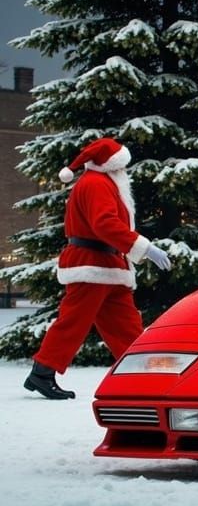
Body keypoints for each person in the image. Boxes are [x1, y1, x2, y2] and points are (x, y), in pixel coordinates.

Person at [23, 137, 172, 399]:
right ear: (111, 164)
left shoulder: (103, 183)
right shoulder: (96, 184)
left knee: (126, 325)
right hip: (91, 264)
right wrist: (144, 247)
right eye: (121, 165)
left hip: (108, 265)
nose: (124, 170)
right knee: (74, 321)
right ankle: (42, 372)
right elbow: (104, 224)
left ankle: (142, 373)